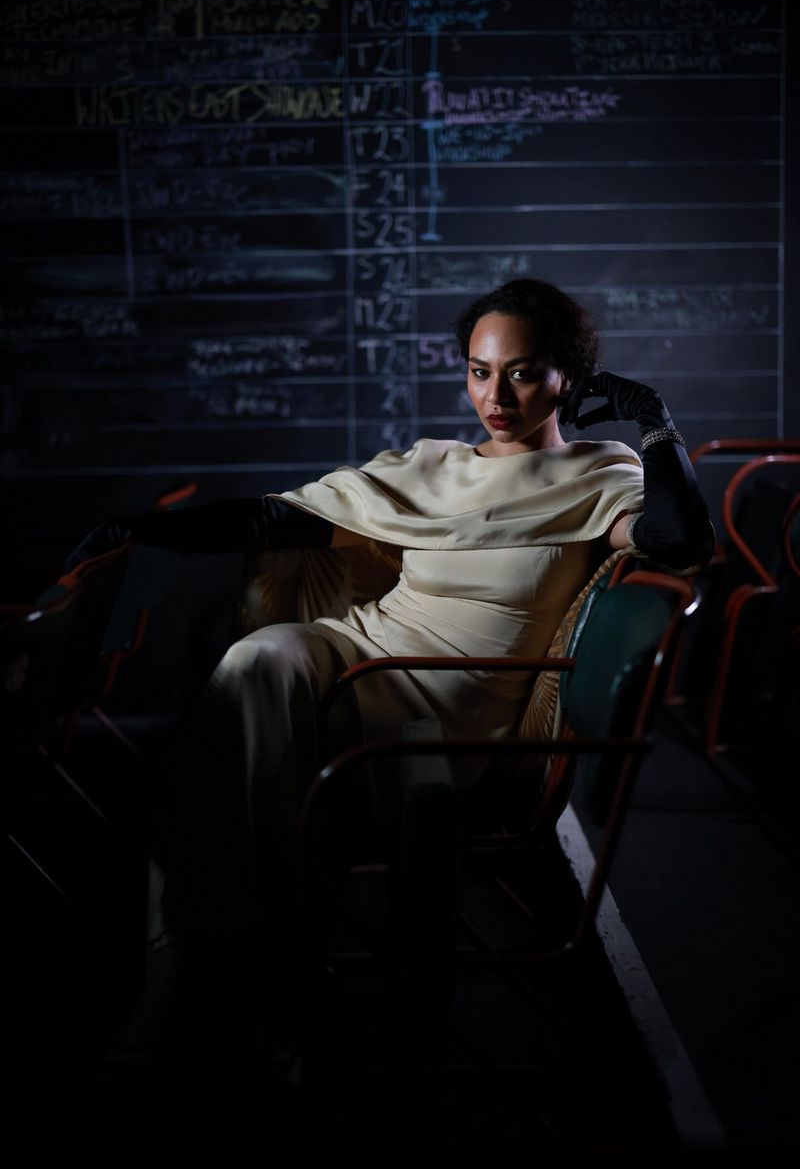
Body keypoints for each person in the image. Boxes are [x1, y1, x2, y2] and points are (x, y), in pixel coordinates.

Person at [73, 279, 712, 1086]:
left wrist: (653, 416)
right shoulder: (431, 468)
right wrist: (141, 530)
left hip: (446, 697)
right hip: (360, 652)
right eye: (480, 372)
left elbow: (682, 541)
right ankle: (193, 977)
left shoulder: (599, 475)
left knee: (238, 761)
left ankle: (252, 986)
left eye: (521, 372)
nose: (497, 395)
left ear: (569, 377)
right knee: (256, 662)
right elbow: (280, 520)